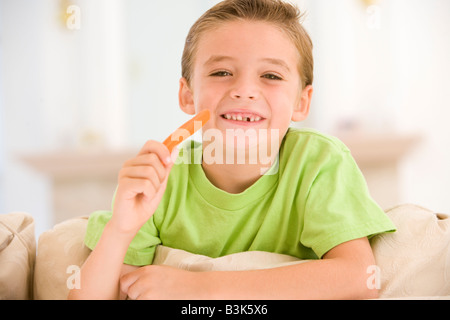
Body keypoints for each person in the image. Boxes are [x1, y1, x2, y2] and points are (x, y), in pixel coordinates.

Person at [68, 0, 395, 300]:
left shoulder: (319, 162)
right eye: (221, 72)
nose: (244, 90)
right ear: (187, 95)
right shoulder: (160, 180)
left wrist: (199, 287)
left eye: (271, 75)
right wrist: (121, 229)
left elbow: (360, 279)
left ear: (301, 102)